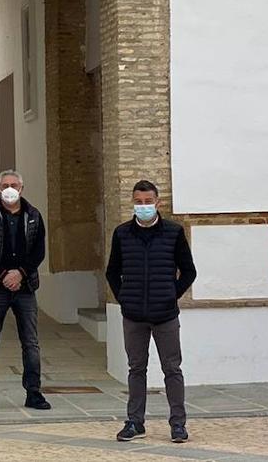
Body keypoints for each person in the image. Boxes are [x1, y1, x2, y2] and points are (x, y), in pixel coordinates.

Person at [106, 179, 196, 444]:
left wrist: (172, 294)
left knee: (172, 368)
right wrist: (123, 298)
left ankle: (178, 424)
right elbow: (112, 271)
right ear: (132, 203)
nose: (143, 206)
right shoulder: (122, 233)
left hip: (165, 314)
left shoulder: (173, 232)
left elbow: (189, 270)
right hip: (134, 314)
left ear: (157, 203)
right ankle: (135, 421)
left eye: (148, 202)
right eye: (138, 202)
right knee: (136, 368)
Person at [0, 170, 50, 412]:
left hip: (25, 289)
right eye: (5, 185)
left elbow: (38, 251)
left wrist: (21, 274)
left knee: (31, 343)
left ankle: (34, 392)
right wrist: (4, 275)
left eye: (14, 184)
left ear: (21, 188)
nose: (9, 188)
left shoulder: (34, 216)